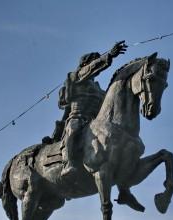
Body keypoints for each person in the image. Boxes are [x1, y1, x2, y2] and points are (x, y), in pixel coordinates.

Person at [51, 41, 127, 178]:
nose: (95, 68)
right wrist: (109, 55)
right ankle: (68, 163)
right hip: (77, 117)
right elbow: (92, 68)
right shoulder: (75, 76)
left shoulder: (98, 88)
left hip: (94, 122)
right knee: (72, 131)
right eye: (94, 62)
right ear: (85, 65)